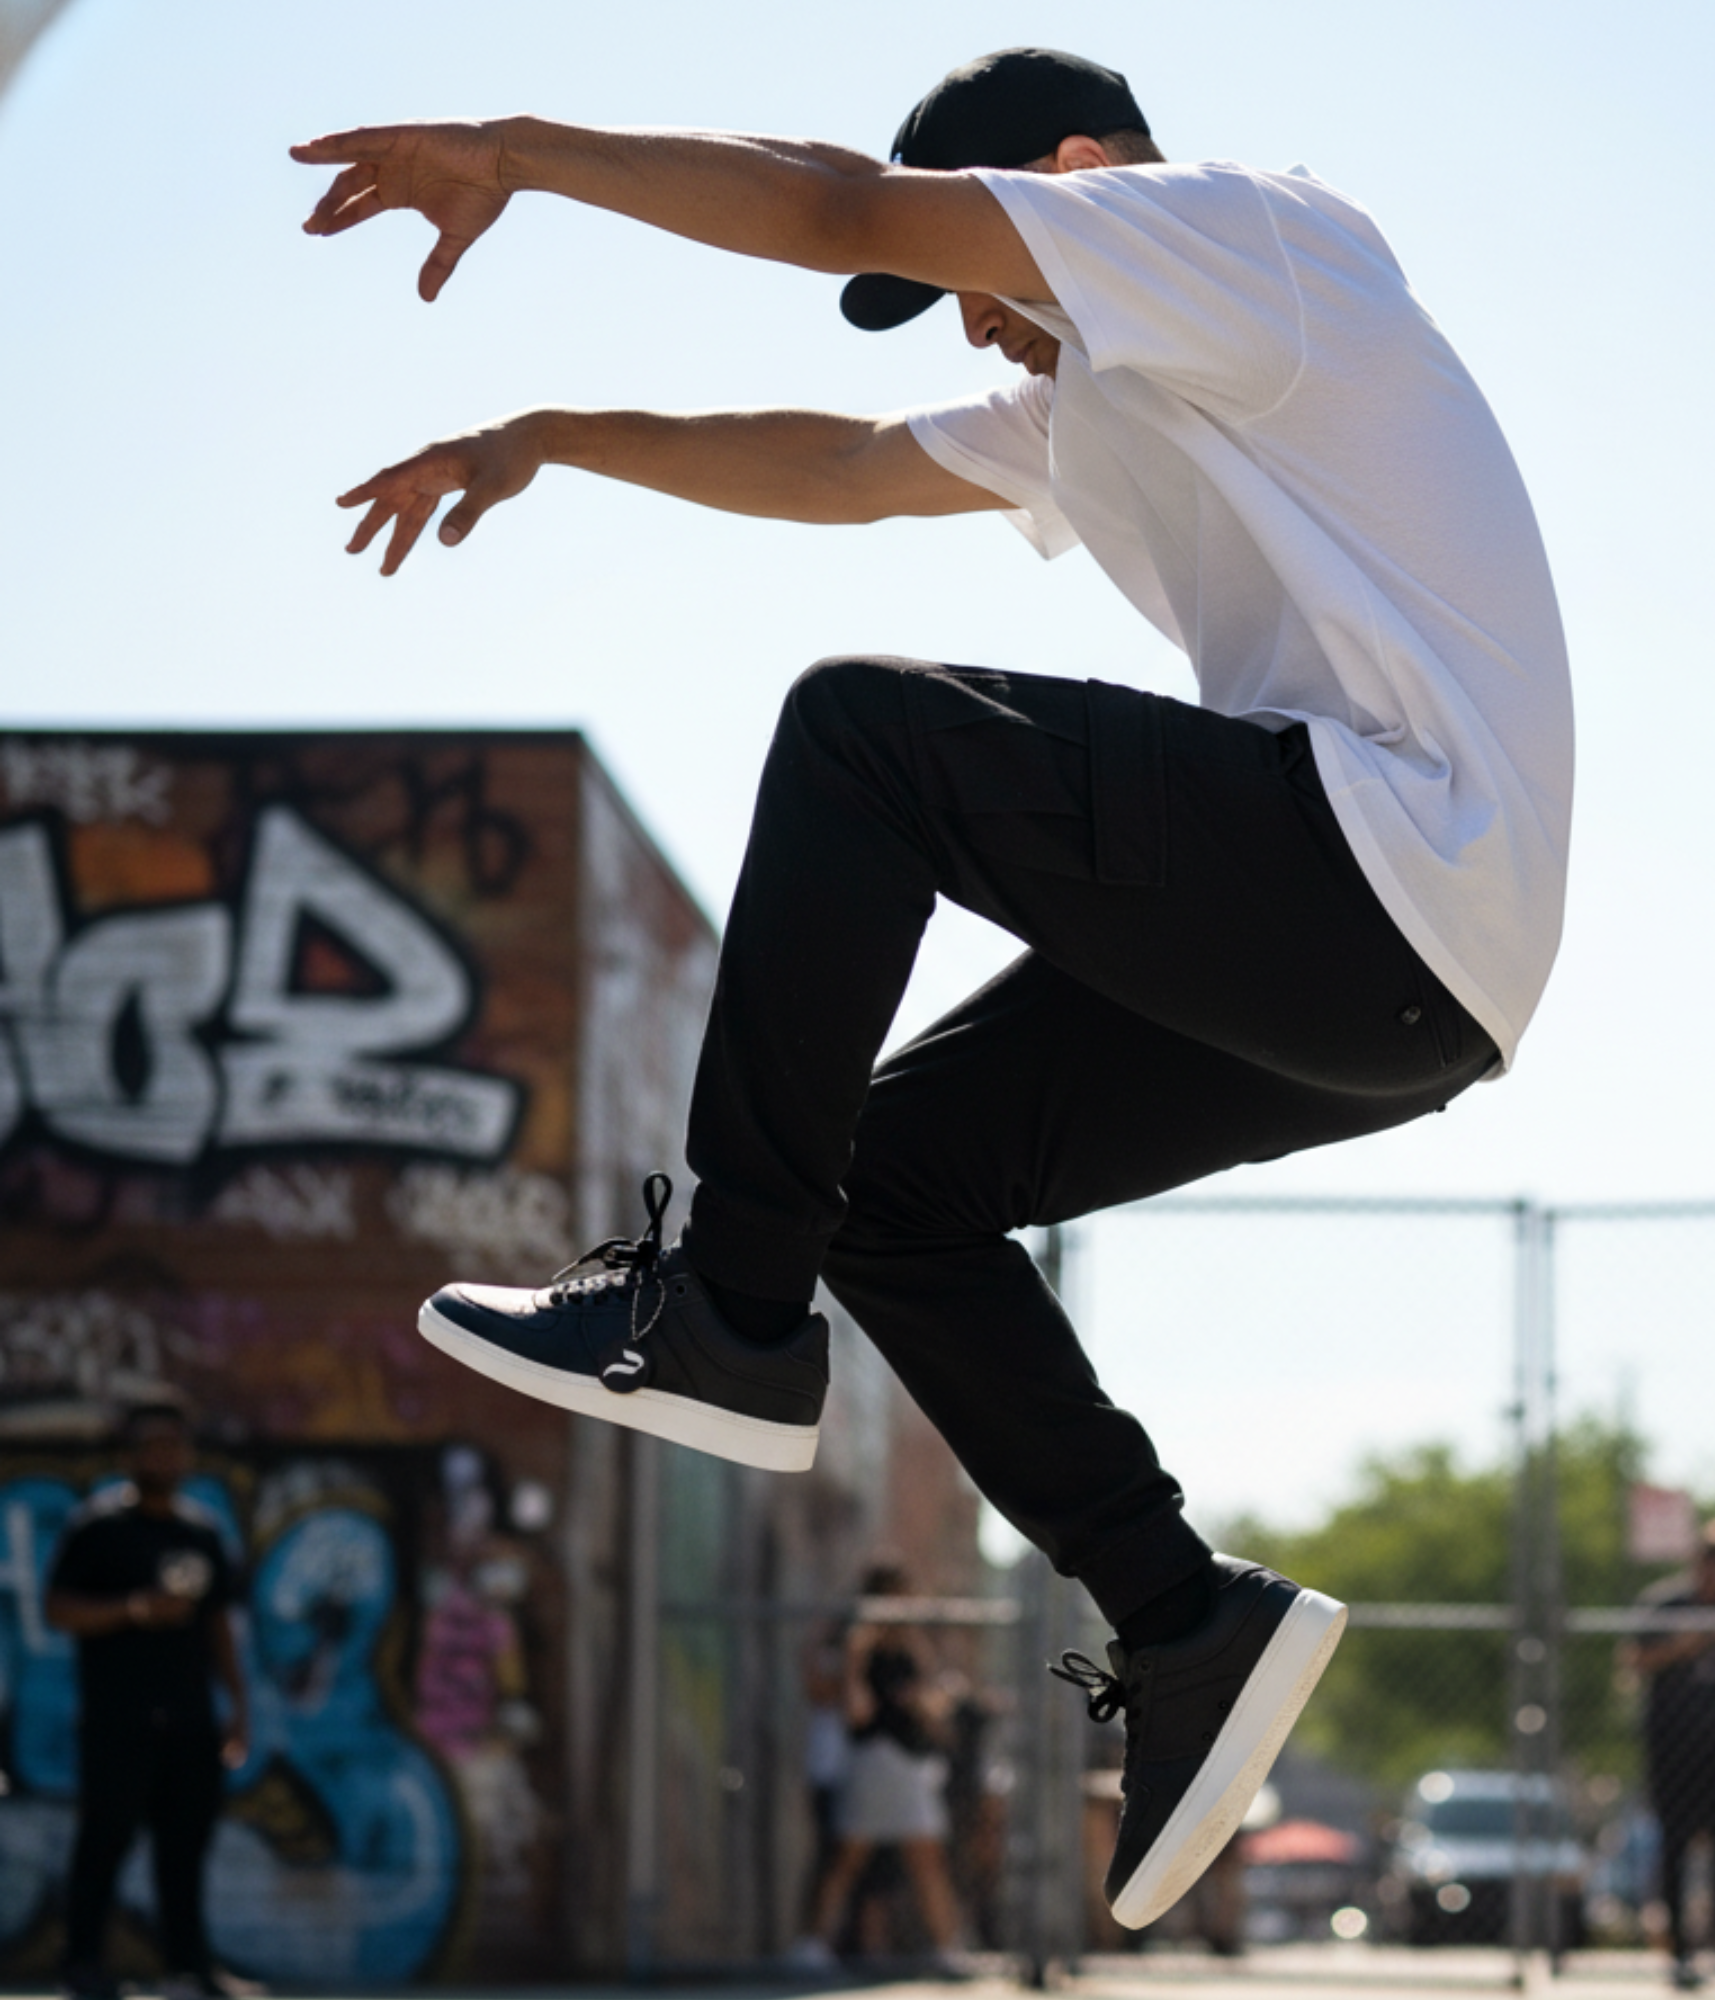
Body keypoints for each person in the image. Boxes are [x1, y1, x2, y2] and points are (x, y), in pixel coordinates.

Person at [293, 43, 1572, 1928]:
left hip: (1383, 865)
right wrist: (553, 434)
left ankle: (723, 1312)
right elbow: (841, 464)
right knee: (884, 1188)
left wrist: (518, 155)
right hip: (1393, 980)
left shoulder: (1232, 238)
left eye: (982, 280)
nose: (980, 332)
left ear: (1072, 176)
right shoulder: (1106, 396)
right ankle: (1179, 1613)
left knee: (863, 740)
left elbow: (824, 202)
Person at [45, 1401, 248, 2000]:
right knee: (104, 1841)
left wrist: (238, 1707)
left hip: (189, 1720)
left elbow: (217, 1627)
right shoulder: (97, 1529)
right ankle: (83, 1963)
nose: (166, 1456)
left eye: (175, 1444)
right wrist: (134, 1609)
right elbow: (58, 1609)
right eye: (152, 1444)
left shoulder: (203, 1532)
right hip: (117, 1720)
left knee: (185, 1848)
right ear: (128, 1457)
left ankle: (189, 1966)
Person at [795, 1563, 960, 1967]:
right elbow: (855, 1714)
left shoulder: (912, 1647)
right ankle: (812, 1946)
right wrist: (854, 1657)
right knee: (847, 1856)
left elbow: (933, 1711)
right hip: (871, 1761)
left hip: (911, 1764)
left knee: (927, 1859)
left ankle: (947, 1948)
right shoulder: (856, 1646)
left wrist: (925, 1696)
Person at [1630, 1518, 1715, 1986]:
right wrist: (1683, 1645)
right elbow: (1631, 1662)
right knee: (1676, 1842)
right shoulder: (1666, 1604)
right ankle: (1679, 1947)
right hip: (1671, 1743)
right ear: (1701, 1562)